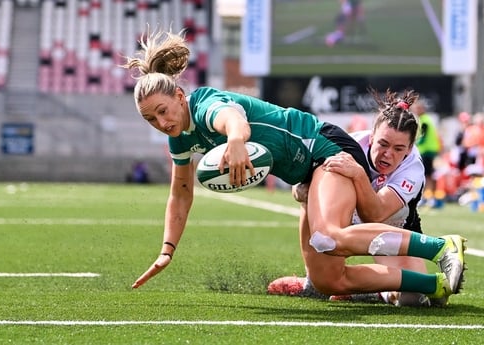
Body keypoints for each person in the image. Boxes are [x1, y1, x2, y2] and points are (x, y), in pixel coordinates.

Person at [122, 29, 466, 301]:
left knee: (329, 237)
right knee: (328, 279)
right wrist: (167, 250)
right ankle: (433, 284)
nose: (161, 122)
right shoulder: (179, 139)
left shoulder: (203, 104)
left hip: (323, 146)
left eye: (163, 111)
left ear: (179, 97)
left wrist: (237, 141)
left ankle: (442, 247)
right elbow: (180, 194)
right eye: (150, 119)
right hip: (306, 170)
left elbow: (232, 118)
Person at [268, 89, 446, 307]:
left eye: (398, 148)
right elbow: (302, 186)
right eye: (383, 144)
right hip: (348, 215)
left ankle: (375, 293)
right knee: (325, 274)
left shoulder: (413, 169)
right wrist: (303, 190)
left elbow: (376, 214)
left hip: (391, 223)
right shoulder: (347, 145)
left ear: (409, 150)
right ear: (371, 137)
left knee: (414, 300)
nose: (388, 154)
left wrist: (359, 175)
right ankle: (313, 281)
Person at [411, 99, 441, 207]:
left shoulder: (423, 121)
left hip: (426, 151)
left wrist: (411, 143)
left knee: (426, 175)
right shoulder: (426, 119)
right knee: (428, 175)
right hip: (429, 150)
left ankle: (428, 197)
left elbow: (422, 138)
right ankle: (427, 197)